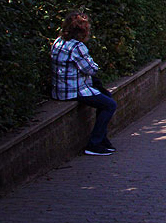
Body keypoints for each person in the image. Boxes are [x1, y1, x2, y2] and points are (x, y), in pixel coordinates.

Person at [50, 11, 118, 156]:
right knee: (110, 105)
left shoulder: (58, 41)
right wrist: (95, 65)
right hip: (74, 90)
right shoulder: (76, 47)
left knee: (106, 96)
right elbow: (91, 69)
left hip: (61, 87)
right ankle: (94, 144)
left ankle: (103, 140)